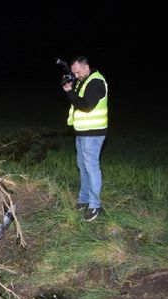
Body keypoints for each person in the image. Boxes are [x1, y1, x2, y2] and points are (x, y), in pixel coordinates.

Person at [63, 56, 108, 221]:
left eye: (77, 72)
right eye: (73, 73)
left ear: (86, 67)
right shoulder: (84, 81)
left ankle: (95, 206)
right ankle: (84, 200)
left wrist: (70, 92)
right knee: (83, 167)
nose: (76, 76)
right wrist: (71, 89)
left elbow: (86, 106)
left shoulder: (96, 82)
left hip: (93, 133)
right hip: (82, 132)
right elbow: (78, 102)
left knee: (91, 167)